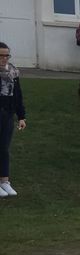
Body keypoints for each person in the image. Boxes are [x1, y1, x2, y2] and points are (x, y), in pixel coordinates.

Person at [0, 42, 26, 198]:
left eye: (6, 55)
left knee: (4, 148)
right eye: (1, 55)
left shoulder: (13, 72)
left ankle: (4, 180)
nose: (4, 58)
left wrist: (21, 116)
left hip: (8, 113)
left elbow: (18, 94)